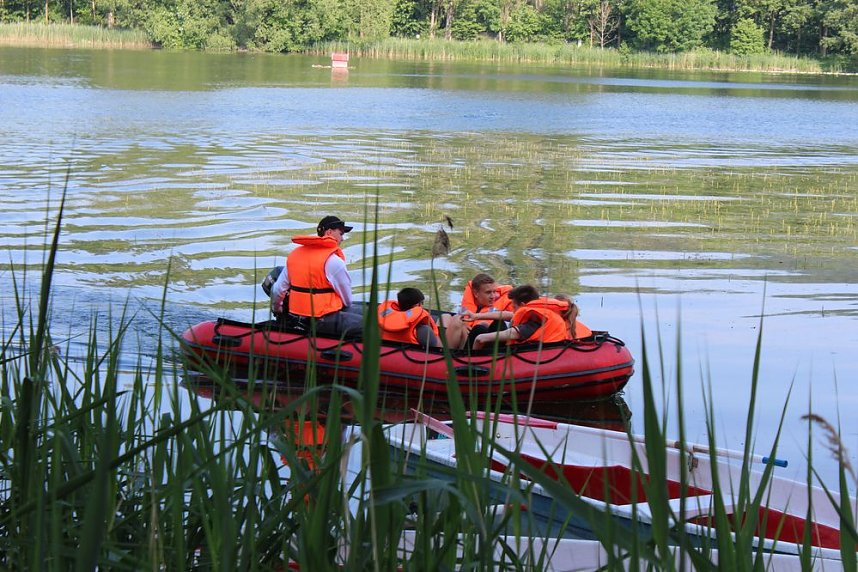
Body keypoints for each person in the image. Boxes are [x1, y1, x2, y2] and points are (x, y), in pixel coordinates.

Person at [270, 215, 363, 337]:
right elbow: (347, 300)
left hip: (298, 317)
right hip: (323, 319)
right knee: (369, 323)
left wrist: (277, 309)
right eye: (341, 234)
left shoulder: (294, 255)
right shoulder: (334, 261)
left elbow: (277, 290)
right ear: (329, 232)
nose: (342, 239)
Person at [472, 285, 577, 350]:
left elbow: (480, 339)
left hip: (516, 358)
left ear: (522, 305)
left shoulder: (530, 326)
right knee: (494, 324)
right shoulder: (540, 316)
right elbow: (506, 315)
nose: (512, 310)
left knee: (480, 329)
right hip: (540, 350)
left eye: (513, 307)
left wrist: (473, 357)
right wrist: (476, 316)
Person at [441, 273, 514, 349]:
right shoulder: (469, 302)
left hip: (478, 339)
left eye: (494, 292)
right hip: (464, 336)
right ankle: (443, 353)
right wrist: (464, 325)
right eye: (488, 292)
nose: (493, 296)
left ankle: (447, 354)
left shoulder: (503, 303)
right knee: (445, 317)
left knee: (481, 324)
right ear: (476, 293)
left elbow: (514, 316)